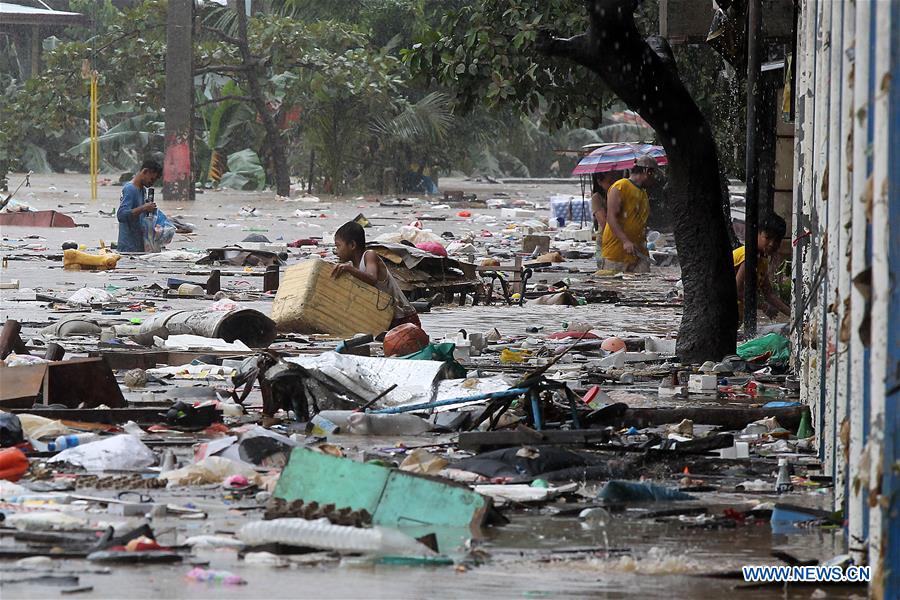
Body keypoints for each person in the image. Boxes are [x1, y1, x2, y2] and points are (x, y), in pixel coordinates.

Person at [331, 221, 421, 329]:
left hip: (405, 318)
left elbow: (371, 278)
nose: (337, 251)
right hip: (385, 319)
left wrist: (348, 269)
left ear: (352, 245)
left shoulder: (369, 256)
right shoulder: (352, 267)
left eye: (338, 246)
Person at [599, 155, 659, 272]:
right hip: (617, 253)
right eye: (653, 173)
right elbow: (611, 218)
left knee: (641, 286)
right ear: (646, 171)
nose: (655, 178)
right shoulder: (620, 187)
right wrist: (625, 241)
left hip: (639, 253)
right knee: (616, 287)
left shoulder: (643, 193)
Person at [734, 213, 791, 321]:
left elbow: (768, 294)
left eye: (777, 240)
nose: (772, 244)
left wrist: (793, 316)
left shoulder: (762, 259)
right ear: (756, 234)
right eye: (768, 237)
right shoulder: (748, 256)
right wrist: (764, 306)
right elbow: (736, 291)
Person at [116, 159, 162, 252]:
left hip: (139, 246)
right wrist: (144, 207)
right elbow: (121, 215)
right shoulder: (130, 189)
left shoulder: (143, 190)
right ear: (145, 171)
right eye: (152, 179)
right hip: (128, 247)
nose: (152, 183)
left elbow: (139, 215)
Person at [590, 171, 622, 268]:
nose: (613, 184)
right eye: (609, 181)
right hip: (605, 240)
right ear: (599, 182)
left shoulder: (620, 195)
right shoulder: (597, 198)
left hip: (620, 238)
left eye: (615, 181)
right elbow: (604, 223)